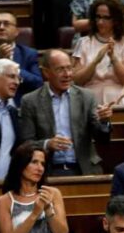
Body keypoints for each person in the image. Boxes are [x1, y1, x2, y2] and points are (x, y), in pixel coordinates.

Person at [18, 49, 113, 177]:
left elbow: (102, 139)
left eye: (69, 68)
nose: (67, 74)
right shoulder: (30, 101)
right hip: (47, 171)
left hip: (83, 170)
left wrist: (104, 121)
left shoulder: (86, 97)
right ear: (46, 72)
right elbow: (26, 143)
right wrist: (47, 144)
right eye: (60, 69)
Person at [0, 145, 68, 233]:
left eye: (42, 164)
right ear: (20, 164)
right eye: (34, 162)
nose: (40, 168)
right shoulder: (4, 201)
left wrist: (48, 209)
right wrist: (34, 214)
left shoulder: (53, 194)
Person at [72, 0, 124, 107]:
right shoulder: (83, 42)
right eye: (97, 17)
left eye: (106, 18)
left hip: (118, 97)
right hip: (90, 97)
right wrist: (95, 62)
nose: (100, 22)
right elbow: (78, 80)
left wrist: (113, 58)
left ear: (116, 20)